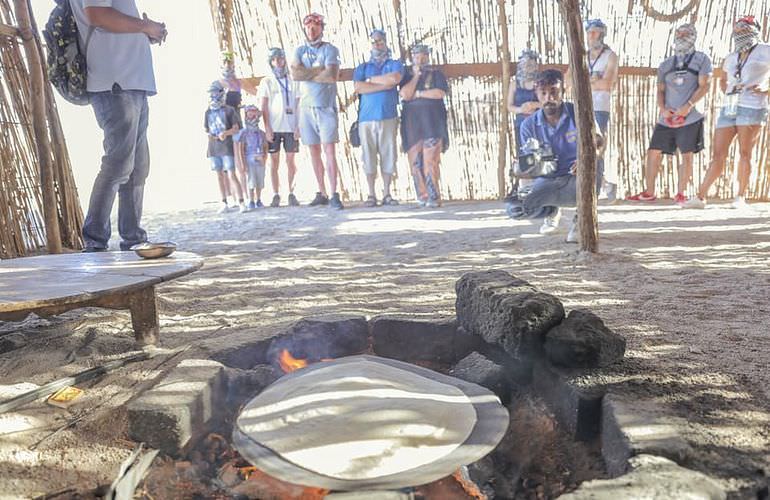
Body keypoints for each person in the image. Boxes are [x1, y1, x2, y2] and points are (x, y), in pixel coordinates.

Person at [69, 0, 166, 252]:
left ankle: (132, 237)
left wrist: (145, 32)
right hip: (115, 82)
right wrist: (145, 26)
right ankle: (95, 240)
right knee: (119, 164)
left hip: (131, 82)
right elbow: (97, 14)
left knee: (137, 167)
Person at [506, 69, 604, 243]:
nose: (548, 98)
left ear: (562, 92)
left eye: (554, 92)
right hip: (549, 180)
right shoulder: (529, 125)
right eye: (543, 93)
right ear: (536, 94)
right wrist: (522, 168)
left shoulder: (580, 113)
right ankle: (551, 210)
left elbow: (598, 141)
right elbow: (533, 163)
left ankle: (581, 219)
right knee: (515, 209)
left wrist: (585, 159)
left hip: (578, 178)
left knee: (596, 163)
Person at [685, 16, 770, 209]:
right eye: (737, 28)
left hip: (753, 104)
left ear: (754, 30)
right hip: (730, 104)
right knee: (718, 153)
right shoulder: (731, 57)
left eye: (745, 28)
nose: (740, 31)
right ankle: (700, 196)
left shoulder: (765, 50)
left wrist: (766, 88)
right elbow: (723, 79)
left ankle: (740, 197)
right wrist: (728, 88)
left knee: (745, 152)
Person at [627, 24, 712, 205]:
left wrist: (687, 106)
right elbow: (660, 90)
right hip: (666, 117)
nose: (682, 36)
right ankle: (649, 191)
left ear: (693, 36)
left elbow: (705, 85)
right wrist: (663, 109)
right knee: (653, 152)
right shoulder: (665, 64)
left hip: (690, 116)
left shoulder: (702, 59)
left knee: (687, 154)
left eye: (686, 34)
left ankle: (680, 194)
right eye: (679, 34)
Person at [291, 12, 344, 209]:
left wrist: (307, 73)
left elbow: (331, 75)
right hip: (306, 107)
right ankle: (321, 191)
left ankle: (334, 193)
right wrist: (317, 71)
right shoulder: (299, 50)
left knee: (329, 149)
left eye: (315, 26)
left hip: (325, 105)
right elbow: (295, 74)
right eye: (308, 26)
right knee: (313, 150)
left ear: (321, 28)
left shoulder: (330, 49)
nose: (311, 30)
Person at [353, 29, 403, 207]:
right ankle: (371, 194)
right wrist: (384, 84)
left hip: (388, 115)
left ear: (385, 42)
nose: (377, 44)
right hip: (366, 118)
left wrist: (372, 80)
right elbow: (359, 87)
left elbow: (395, 79)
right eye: (374, 42)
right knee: (368, 155)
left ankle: (387, 193)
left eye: (380, 41)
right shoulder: (363, 67)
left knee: (388, 153)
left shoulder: (394, 63)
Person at [399, 43, 449, 208]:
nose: (420, 59)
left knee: (430, 160)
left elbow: (439, 93)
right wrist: (416, 77)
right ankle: (422, 194)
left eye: (423, 56)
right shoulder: (406, 74)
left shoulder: (436, 74)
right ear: (412, 57)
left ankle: (434, 195)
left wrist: (419, 93)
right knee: (416, 161)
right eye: (417, 56)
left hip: (432, 122)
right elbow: (405, 95)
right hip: (412, 125)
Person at [259, 47, 301, 207]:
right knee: (274, 160)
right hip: (274, 127)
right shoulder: (267, 81)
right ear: (270, 62)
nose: (278, 62)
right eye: (274, 60)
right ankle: (276, 193)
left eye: (280, 59)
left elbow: (298, 103)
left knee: (291, 160)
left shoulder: (292, 80)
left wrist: (298, 126)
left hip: (290, 126)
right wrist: (267, 127)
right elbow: (263, 105)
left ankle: (292, 192)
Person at [584, 19, 618, 200]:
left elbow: (607, 84)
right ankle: (602, 184)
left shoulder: (610, 56)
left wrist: (585, 80)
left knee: (597, 146)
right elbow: (568, 83)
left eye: (596, 32)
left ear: (602, 34)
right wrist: (594, 78)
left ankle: (597, 188)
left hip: (600, 107)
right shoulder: (582, 55)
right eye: (589, 32)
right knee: (580, 147)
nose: (592, 35)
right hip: (581, 106)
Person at [204, 81, 247, 213]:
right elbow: (206, 128)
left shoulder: (229, 110)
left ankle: (241, 201)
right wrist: (211, 135)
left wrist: (225, 133)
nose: (213, 95)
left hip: (226, 146)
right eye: (212, 93)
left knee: (231, 173)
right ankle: (224, 201)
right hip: (214, 146)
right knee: (219, 174)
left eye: (216, 92)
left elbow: (236, 128)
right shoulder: (208, 111)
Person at [234, 105, 268, 208]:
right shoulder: (244, 133)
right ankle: (251, 199)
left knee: (260, 180)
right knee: (251, 180)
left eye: (254, 112)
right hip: (249, 157)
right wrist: (242, 163)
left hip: (260, 156)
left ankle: (259, 199)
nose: (252, 114)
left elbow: (265, 145)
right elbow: (241, 148)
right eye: (250, 112)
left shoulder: (261, 133)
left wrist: (265, 157)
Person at [508, 50, 541, 152]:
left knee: (540, 153)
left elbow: (547, 102)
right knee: (523, 154)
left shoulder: (540, 82)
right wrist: (520, 109)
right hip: (520, 124)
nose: (528, 67)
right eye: (525, 64)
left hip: (538, 124)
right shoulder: (514, 84)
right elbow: (509, 106)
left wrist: (534, 105)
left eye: (531, 64)